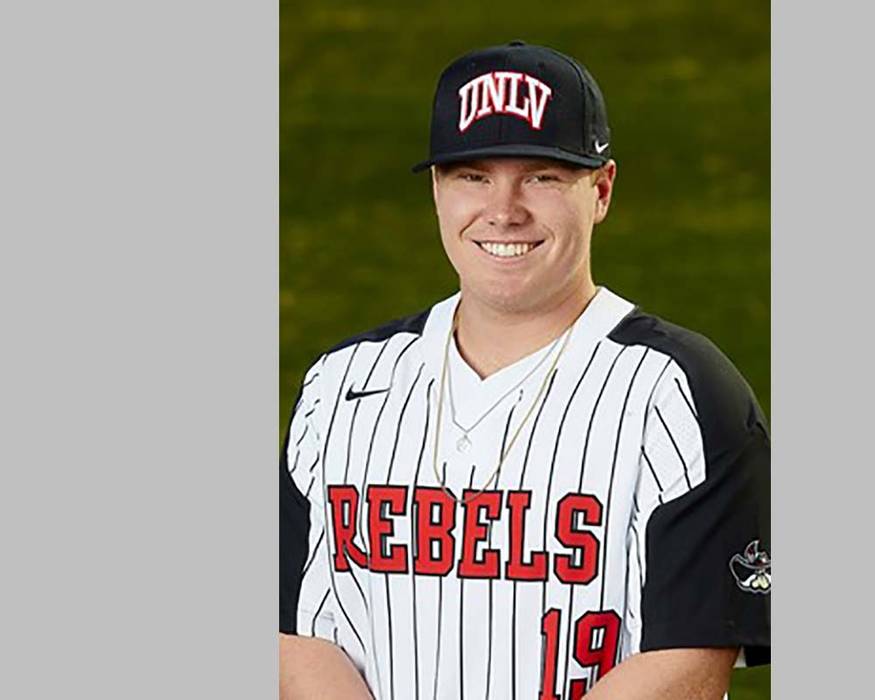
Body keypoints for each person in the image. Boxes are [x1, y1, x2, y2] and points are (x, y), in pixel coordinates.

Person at [279, 41, 770, 700]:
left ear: (600, 190)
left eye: (540, 176)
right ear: (437, 190)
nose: (503, 210)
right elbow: (292, 632)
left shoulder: (679, 393)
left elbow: (688, 662)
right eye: (473, 176)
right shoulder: (338, 387)